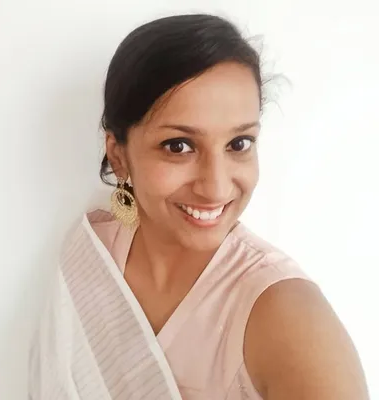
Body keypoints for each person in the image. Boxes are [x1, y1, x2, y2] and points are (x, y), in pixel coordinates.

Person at [28, 14, 369, 400]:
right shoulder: (92, 255)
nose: (216, 187)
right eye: (179, 146)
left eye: (239, 144)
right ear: (118, 156)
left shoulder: (286, 316)